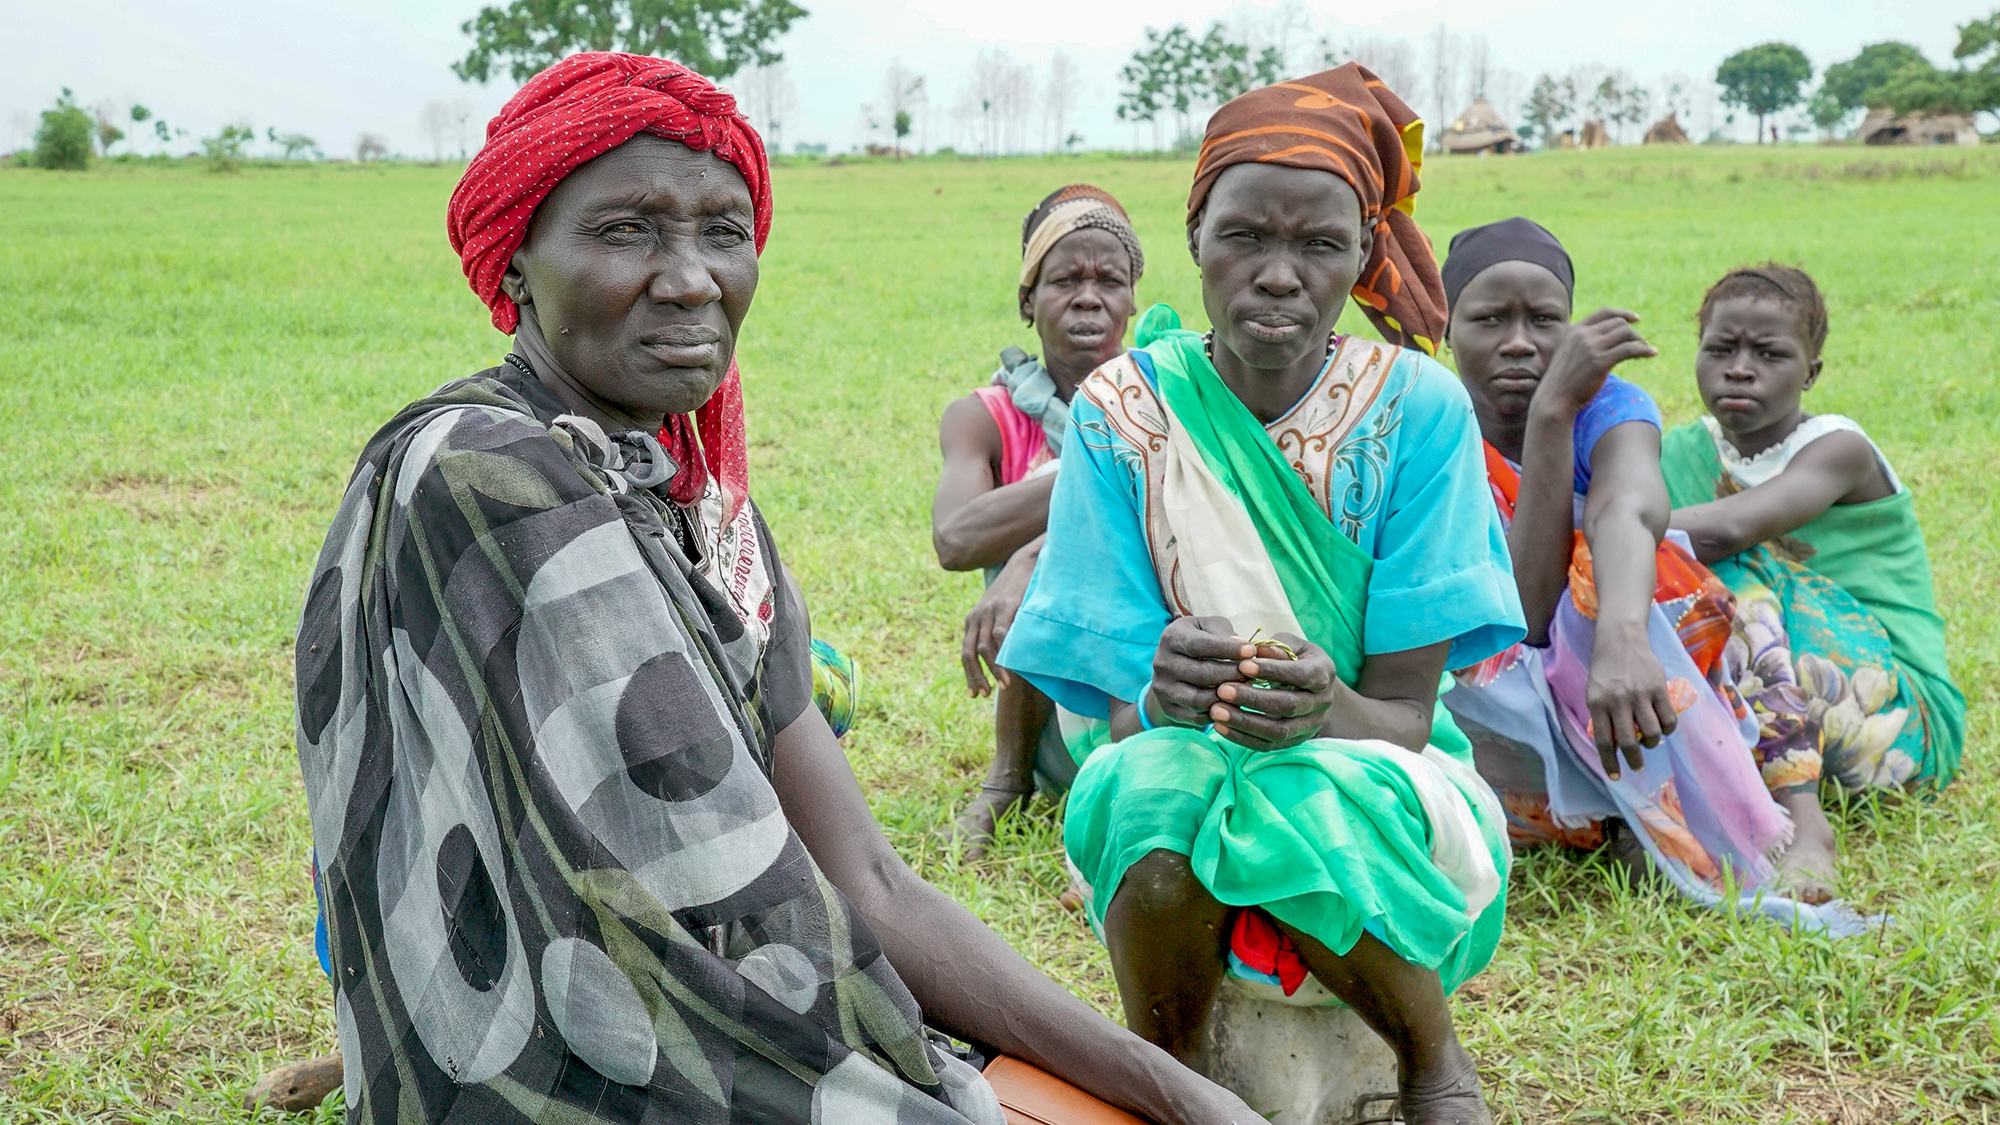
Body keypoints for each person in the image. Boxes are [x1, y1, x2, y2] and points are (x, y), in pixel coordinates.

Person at [294, 51, 1266, 1125]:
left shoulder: (710, 514)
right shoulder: (483, 473)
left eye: (722, 231)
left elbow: (869, 880)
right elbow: (726, 895)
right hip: (558, 1076)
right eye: (625, 230)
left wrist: (1181, 1092)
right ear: (517, 260)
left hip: (742, 1030)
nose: (690, 278)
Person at [999, 64, 1526, 1125]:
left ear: (1364, 255)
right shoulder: (1123, 410)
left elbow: (1404, 718)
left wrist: (1321, 706)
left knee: (1289, 796)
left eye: (1319, 245)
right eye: (1243, 236)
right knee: (1147, 787)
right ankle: (1174, 1068)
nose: (1278, 276)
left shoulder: (1418, 409)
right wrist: (1160, 693)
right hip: (1178, 760)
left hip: (1383, 776)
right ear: (1195, 237)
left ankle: (1433, 1066)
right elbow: (1119, 718)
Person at [1434, 219, 1855, 918]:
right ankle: (1611, 817)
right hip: (1493, 675)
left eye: (1544, 320)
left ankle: (1797, 818)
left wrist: (1623, 635)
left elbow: (1628, 510)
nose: (1520, 342)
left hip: (1606, 669)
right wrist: (1549, 415)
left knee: (1670, 580)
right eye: (1489, 319)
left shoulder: (1612, 406)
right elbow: (1520, 616)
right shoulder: (1431, 421)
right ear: (1448, 331)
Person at [1663, 263, 1964, 852]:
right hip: (1769, 702)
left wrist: (1610, 526)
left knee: (1728, 568)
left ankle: (1802, 821)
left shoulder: (1839, 450)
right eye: (1720, 348)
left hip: (1892, 711)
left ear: (1811, 372)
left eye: (1769, 354)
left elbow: (1729, 529)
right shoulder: (1681, 451)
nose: (1740, 367)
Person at [932, 185, 1143, 854]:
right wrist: (1099, 471)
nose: (1089, 298)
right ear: (1028, 300)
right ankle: (1009, 777)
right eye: (1066, 280)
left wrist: (1036, 556)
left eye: (1110, 281)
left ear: (1133, 301)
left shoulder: (1166, 398)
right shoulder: (985, 417)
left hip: (1144, 696)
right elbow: (956, 539)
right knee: (1046, 496)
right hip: (1050, 709)